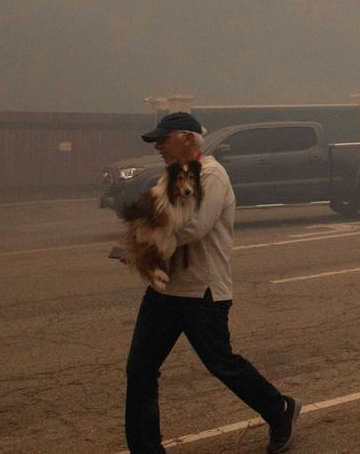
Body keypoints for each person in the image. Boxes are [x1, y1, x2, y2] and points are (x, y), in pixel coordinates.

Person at [124, 112, 299, 454]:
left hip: (202, 292)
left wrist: (146, 232)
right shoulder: (173, 177)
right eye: (155, 141)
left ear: (189, 138)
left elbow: (194, 228)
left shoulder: (212, 175)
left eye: (164, 138)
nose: (158, 145)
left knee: (222, 365)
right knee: (139, 369)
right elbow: (158, 220)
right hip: (164, 292)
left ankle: (279, 410)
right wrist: (143, 239)